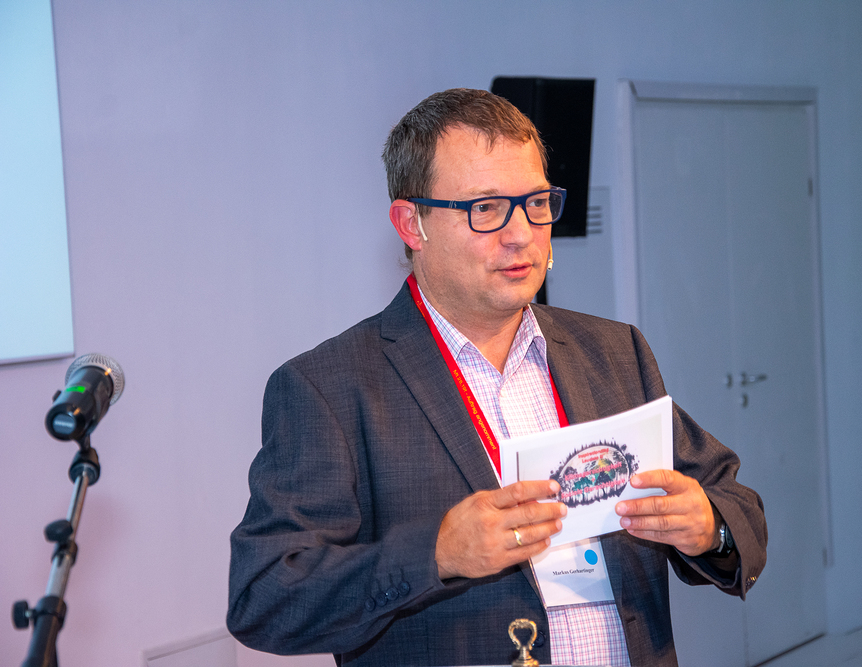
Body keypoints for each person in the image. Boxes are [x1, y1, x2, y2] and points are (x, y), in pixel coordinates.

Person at [228, 88, 766, 667]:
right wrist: (437, 554)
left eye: (536, 202)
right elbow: (266, 597)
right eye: (485, 208)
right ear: (412, 223)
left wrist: (709, 527)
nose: (521, 233)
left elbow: (738, 507)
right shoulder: (330, 388)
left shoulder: (614, 352)